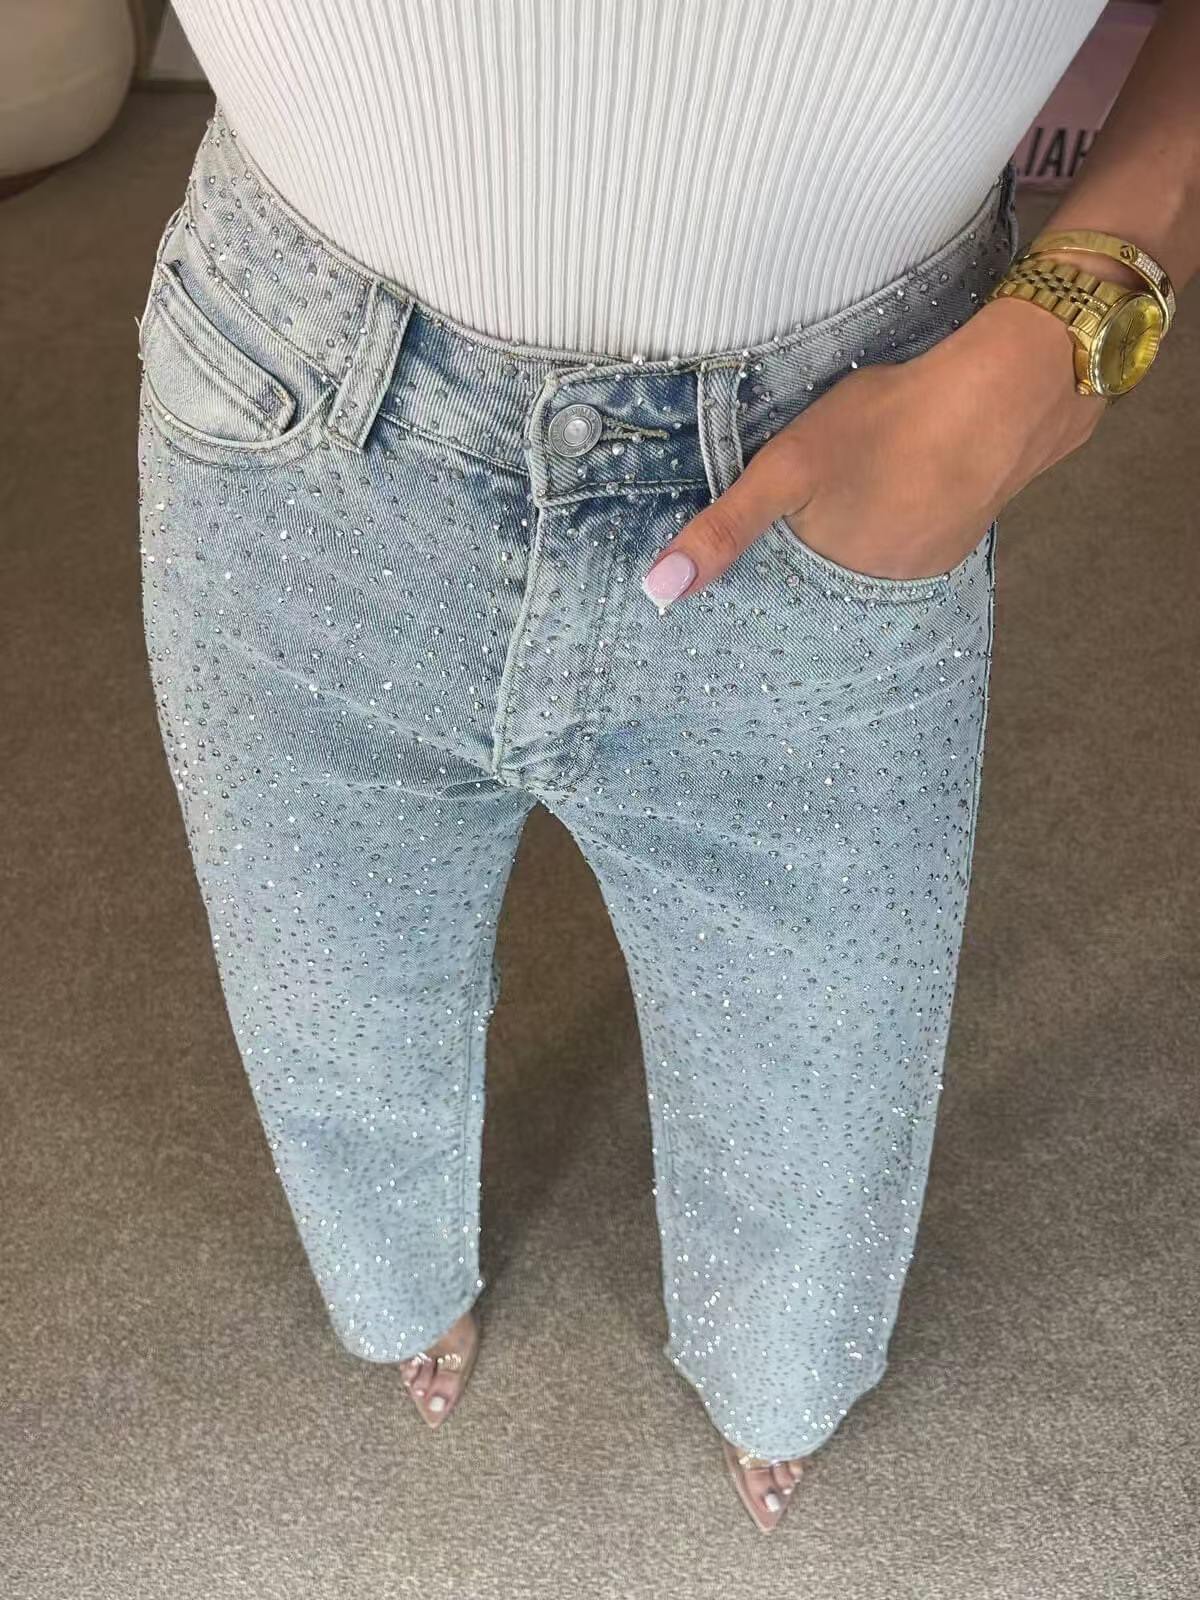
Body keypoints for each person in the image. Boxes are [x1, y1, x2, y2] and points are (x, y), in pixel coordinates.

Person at [136, 0, 1197, 1533]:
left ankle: (775, 1376)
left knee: (821, 1085)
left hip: (837, 446)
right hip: (292, 405)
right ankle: (398, 1287)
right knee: (329, 1000)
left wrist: (1061, 347)